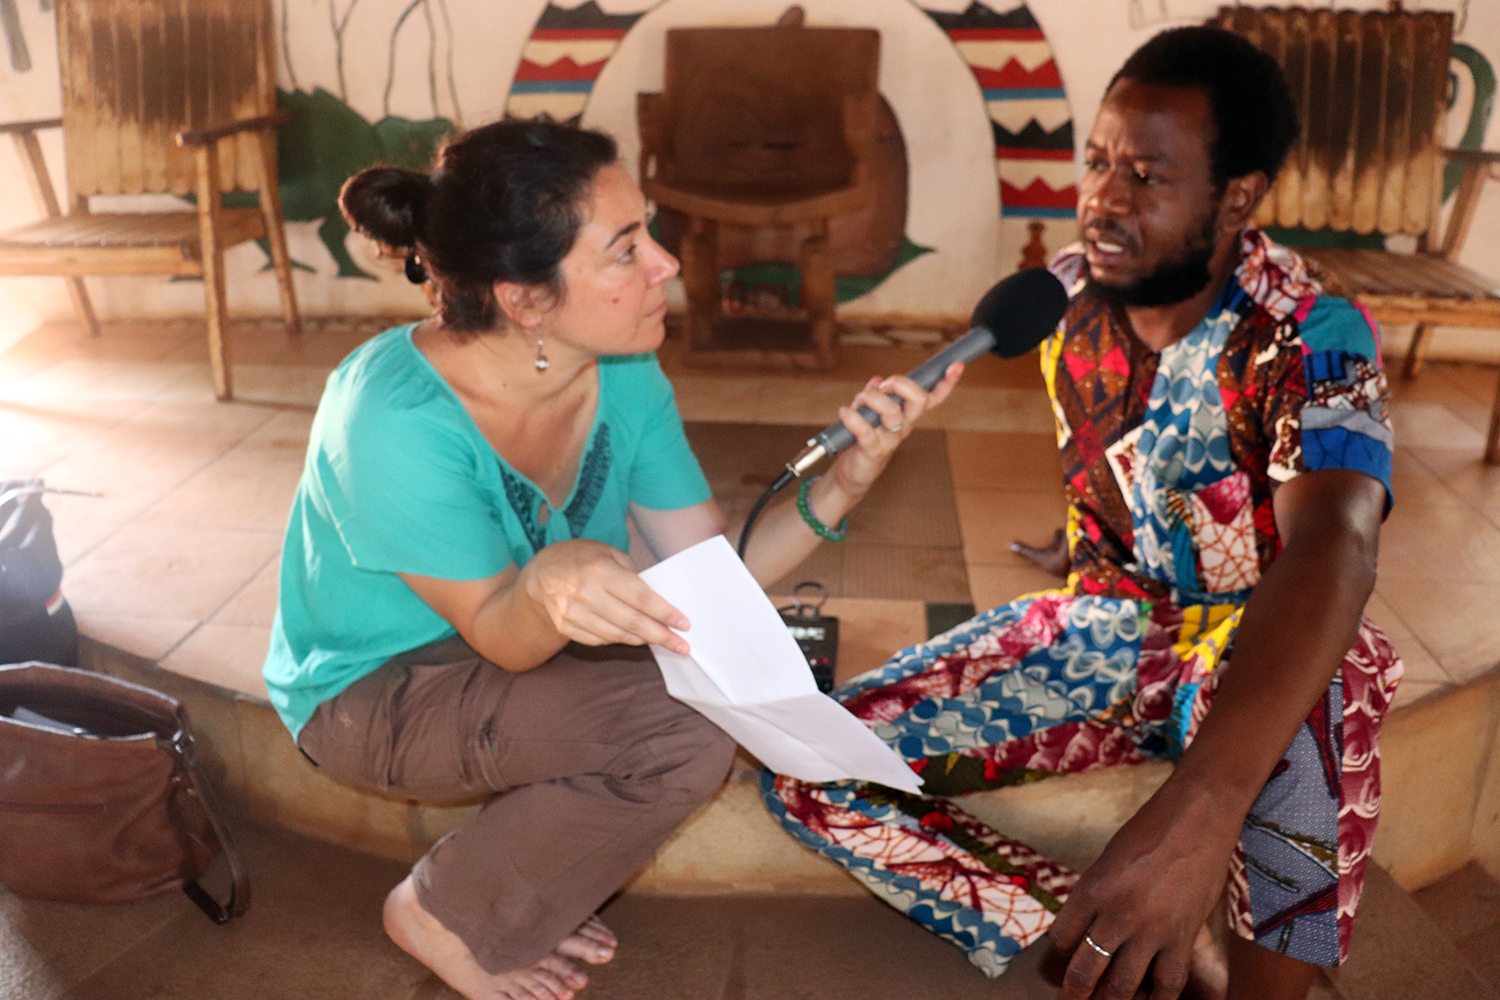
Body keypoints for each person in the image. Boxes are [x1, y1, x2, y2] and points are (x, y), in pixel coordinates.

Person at [762, 25, 1401, 1000]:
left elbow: (1337, 547)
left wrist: (1201, 804)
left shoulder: (1311, 331)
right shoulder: (1061, 298)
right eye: (1097, 162)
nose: (1103, 198)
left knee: (1333, 679)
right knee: (807, 756)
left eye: (1147, 174)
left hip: (1237, 649)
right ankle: (1096, 921)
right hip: (1107, 630)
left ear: (1238, 196)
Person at [261, 119, 961, 1000]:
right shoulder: (393, 425)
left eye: (649, 235)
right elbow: (505, 638)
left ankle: (509, 879)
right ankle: (442, 910)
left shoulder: (621, 367)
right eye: (627, 250)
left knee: (704, 679)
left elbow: (709, 571)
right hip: (373, 691)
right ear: (525, 300)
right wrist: (554, 578)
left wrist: (847, 483)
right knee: (683, 728)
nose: (666, 264)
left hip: (510, 654)